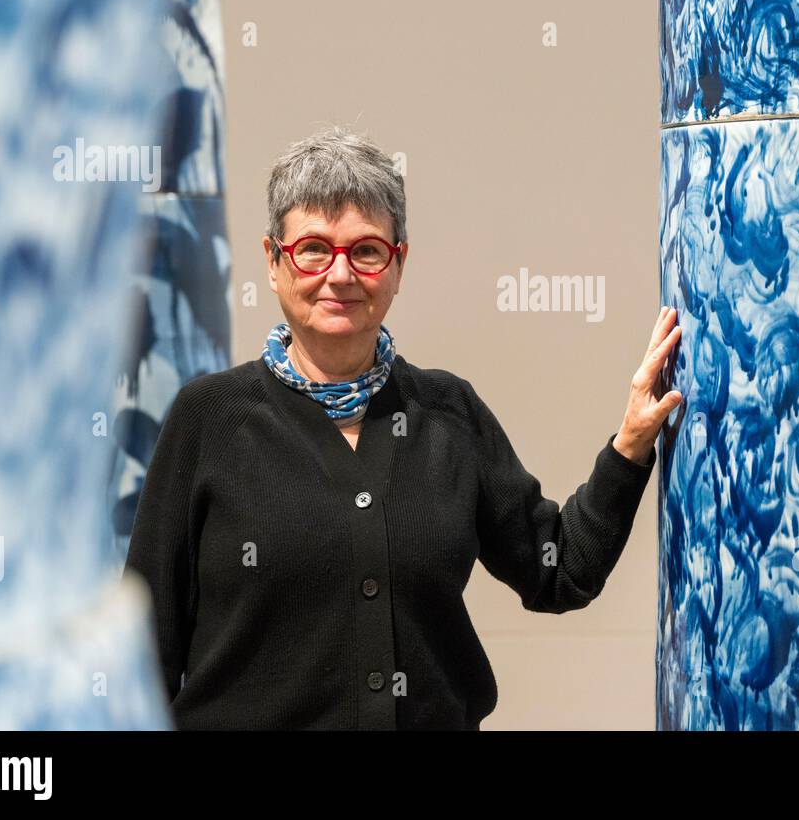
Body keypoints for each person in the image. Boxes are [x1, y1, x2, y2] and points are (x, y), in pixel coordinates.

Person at [123, 126, 683, 729]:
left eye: (366, 251)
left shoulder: (449, 413)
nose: (340, 275)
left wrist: (630, 443)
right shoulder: (210, 419)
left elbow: (560, 569)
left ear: (399, 264)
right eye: (313, 248)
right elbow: (142, 656)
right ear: (273, 260)